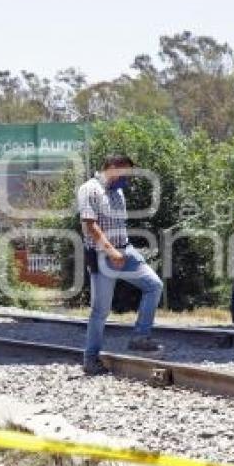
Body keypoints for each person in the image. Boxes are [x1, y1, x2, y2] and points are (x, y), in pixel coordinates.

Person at [77, 154, 163, 375]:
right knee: (100, 310)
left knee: (154, 285)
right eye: (125, 173)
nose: (128, 178)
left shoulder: (118, 192)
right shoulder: (90, 189)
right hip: (102, 255)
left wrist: (123, 249)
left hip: (125, 251)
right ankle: (91, 359)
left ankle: (140, 337)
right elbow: (90, 225)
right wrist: (110, 250)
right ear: (113, 168)